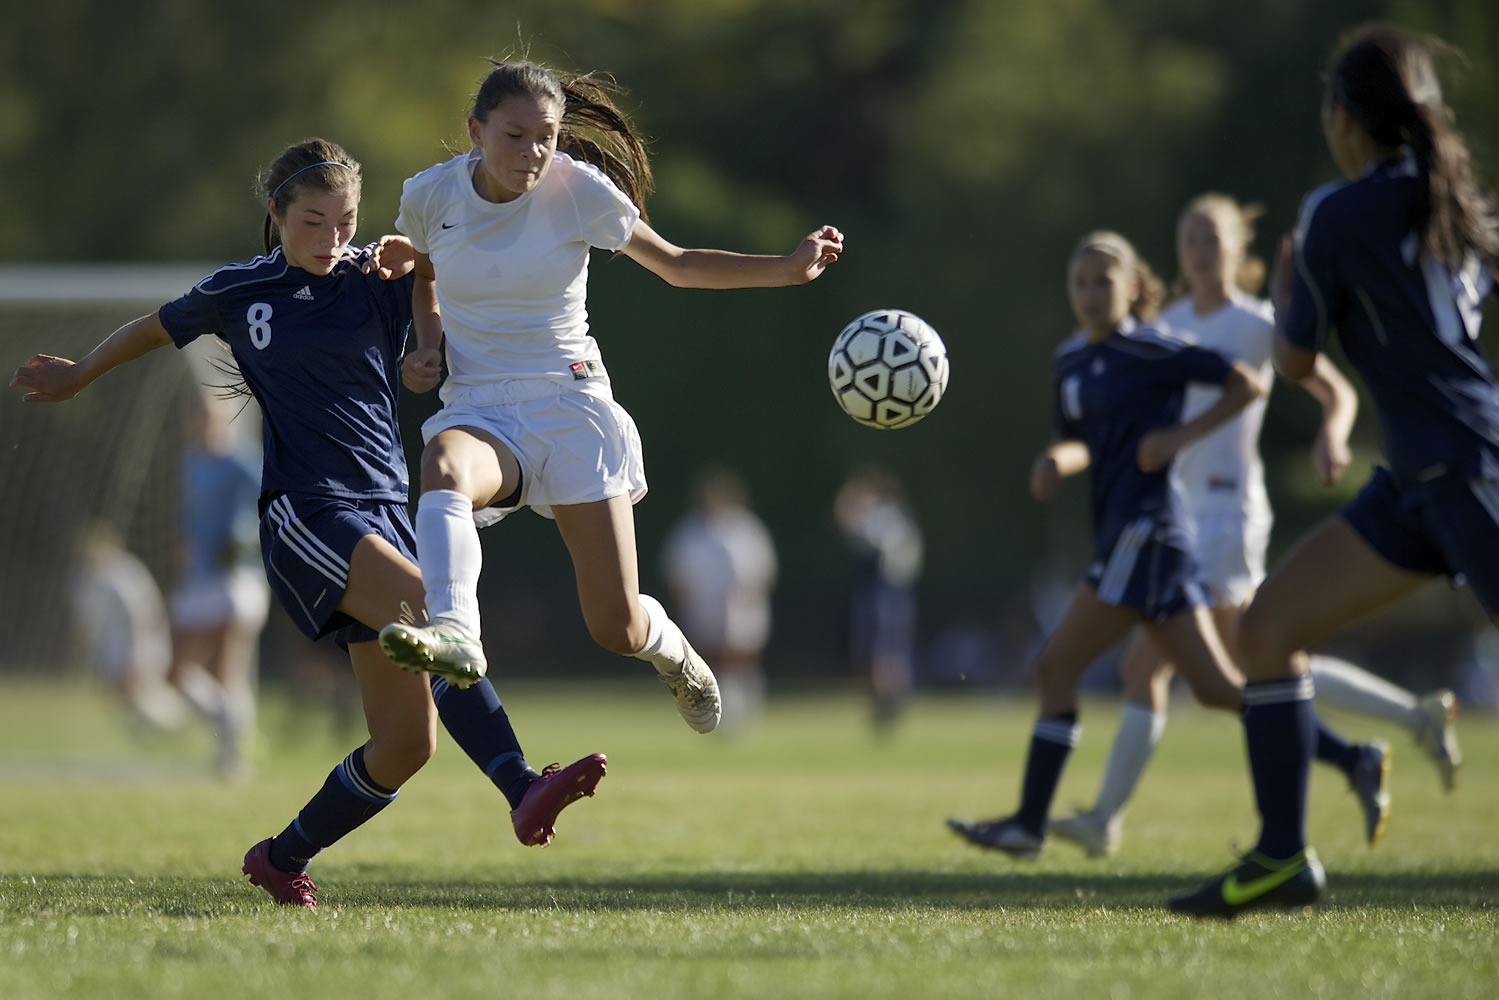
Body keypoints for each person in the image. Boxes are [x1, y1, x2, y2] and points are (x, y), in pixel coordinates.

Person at [10, 138, 605, 910]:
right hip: (308, 513)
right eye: (313, 221)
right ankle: (523, 785)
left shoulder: (376, 274)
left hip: (388, 509)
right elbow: (154, 327)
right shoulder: (242, 290)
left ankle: (279, 856)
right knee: (436, 607)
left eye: (345, 220)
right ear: (276, 216)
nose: (331, 238)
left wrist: (426, 337)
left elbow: (443, 282)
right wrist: (80, 372)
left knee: (405, 746)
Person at [374, 60, 843, 737]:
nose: (532, 153)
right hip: (478, 407)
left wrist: (785, 267)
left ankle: (675, 653)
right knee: (442, 466)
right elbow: (425, 270)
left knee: (615, 626)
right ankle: (456, 633)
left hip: (569, 407)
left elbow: (676, 265)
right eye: (514, 134)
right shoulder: (429, 195)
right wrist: (427, 345)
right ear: (474, 130)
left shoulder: (577, 190)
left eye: (545, 136)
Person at [1169, 23, 1499, 916]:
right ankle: (1281, 860)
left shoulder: (1337, 211)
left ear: (1344, 117)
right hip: (1424, 479)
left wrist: (1290, 294)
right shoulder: (1457, 198)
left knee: (1261, 632)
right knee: (1266, 629)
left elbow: (1290, 357)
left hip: (1465, 470)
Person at [1048, 193, 1461, 859]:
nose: (1198, 251)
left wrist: (1331, 436)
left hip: (1227, 511)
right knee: (1241, 659)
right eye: (1188, 239)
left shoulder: (1257, 324)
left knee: (1186, 665)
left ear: (1239, 250)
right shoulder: (1166, 321)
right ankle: (1396, 726)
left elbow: (1335, 391)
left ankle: (1104, 819)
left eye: (1212, 239)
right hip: (1176, 516)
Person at [945, 231, 1380, 860]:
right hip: (1137, 541)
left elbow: (1246, 385)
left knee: (1054, 666)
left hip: (1148, 534)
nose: (1091, 294)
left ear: (1131, 288)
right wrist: (1054, 461)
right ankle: (1353, 757)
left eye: (1103, 281)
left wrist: (1180, 437)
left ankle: (1028, 825)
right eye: (1080, 283)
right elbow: (1079, 439)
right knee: (1220, 690)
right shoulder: (1070, 359)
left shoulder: (1154, 349)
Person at [166, 387, 271, 778]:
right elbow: (192, 518)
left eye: (209, 416)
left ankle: (232, 756)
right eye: (198, 417)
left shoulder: (242, 460)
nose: (202, 424)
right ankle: (232, 733)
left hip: (236, 580)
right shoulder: (191, 461)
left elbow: (271, 499)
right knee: (179, 672)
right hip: (200, 579)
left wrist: (244, 537)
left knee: (228, 669)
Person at [662, 468, 778, 733]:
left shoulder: (746, 529)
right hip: (703, 607)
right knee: (708, 660)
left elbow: (763, 570)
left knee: (741, 659)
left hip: (742, 607)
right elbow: (677, 573)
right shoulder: (689, 530)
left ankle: (742, 712)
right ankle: (710, 711)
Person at [68, 521, 184, 731]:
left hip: (141, 645)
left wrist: (134, 654)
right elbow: (86, 623)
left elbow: (144, 614)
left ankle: (179, 721)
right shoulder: (85, 582)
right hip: (114, 650)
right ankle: (155, 729)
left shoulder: (125, 576)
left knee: (140, 693)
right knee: (126, 698)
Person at [833, 465, 923, 729]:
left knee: (881, 651)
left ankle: (887, 704)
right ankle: (887, 703)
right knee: (885, 650)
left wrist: (848, 502)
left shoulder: (885, 516)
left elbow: (856, 531)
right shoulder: (899, 516)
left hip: (884, 590)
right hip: (890, 591)